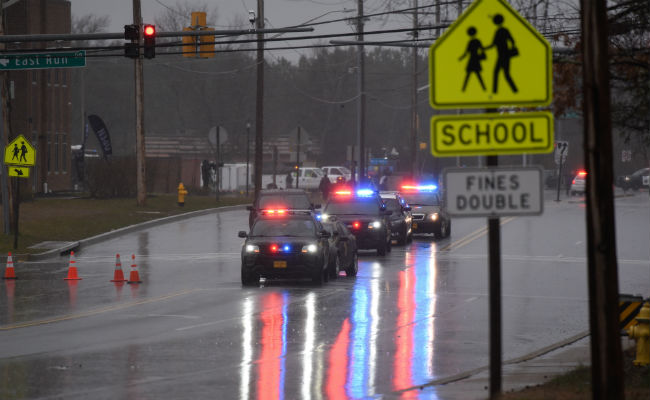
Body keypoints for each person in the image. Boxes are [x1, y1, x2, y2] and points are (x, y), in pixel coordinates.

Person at [459, 26, 486, 92]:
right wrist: (461, 58)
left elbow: (466, 52)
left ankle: (463, 89)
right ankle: (483, 88)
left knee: (470, 75)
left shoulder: (471, 42)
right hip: (475, 59)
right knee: (475, 75)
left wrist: (461, 58)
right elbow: (482, 49)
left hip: (472, 60)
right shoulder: (476, 41)